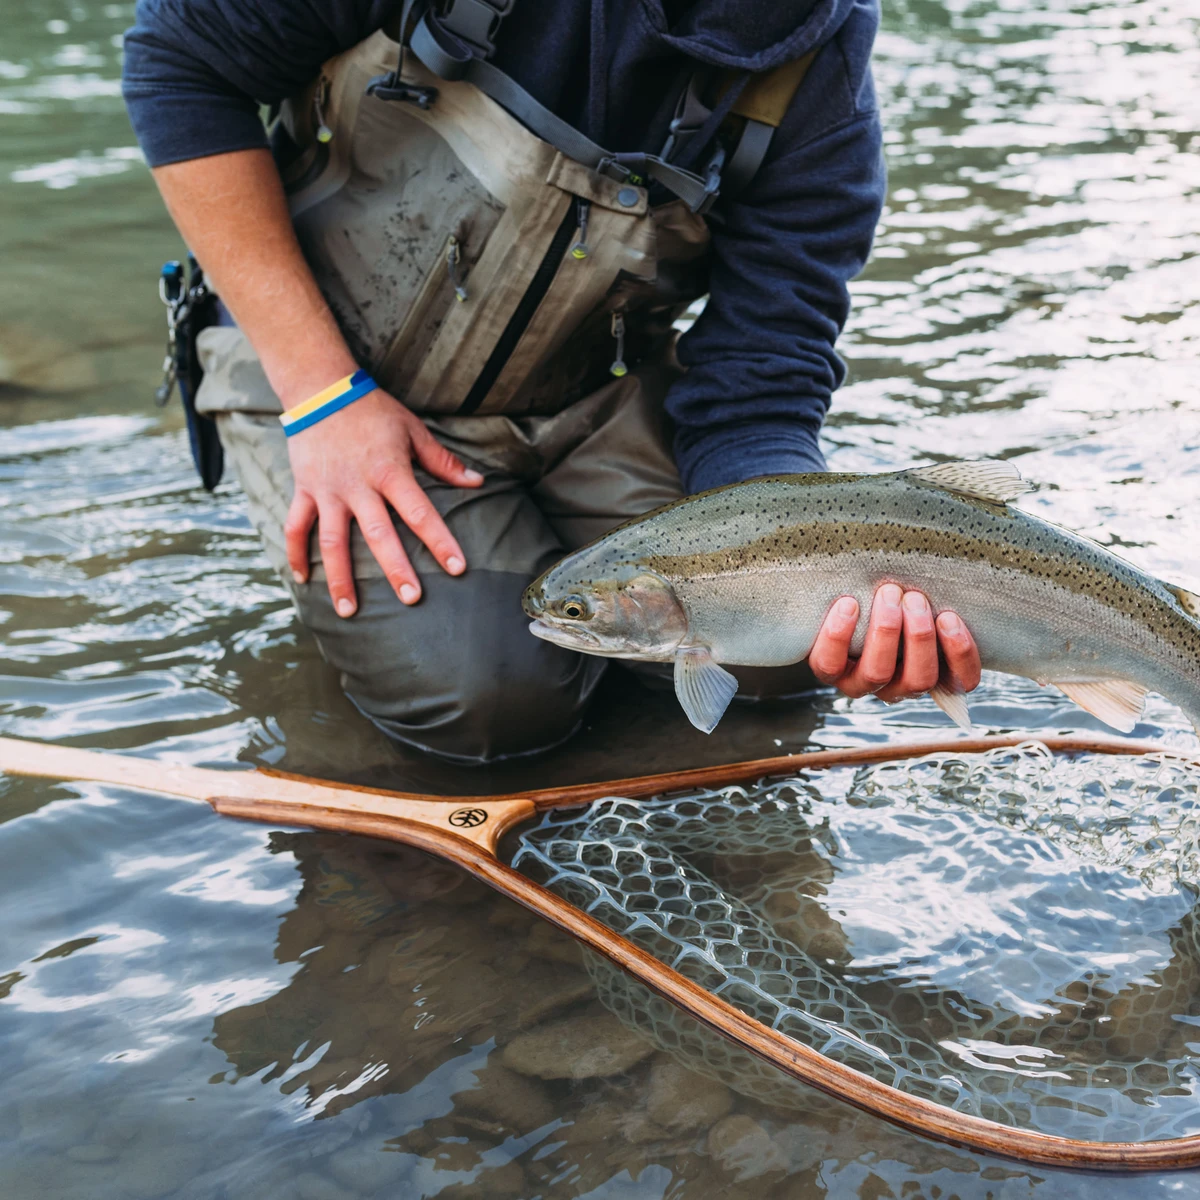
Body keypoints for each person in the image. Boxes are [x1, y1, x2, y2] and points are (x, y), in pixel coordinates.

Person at [122, 0, 980, 764]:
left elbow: (763, 380)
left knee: (781, 663)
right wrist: (321, 394)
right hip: (323, 372)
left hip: (589, 399)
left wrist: (809, 578)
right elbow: (177, 63)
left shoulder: (819, 70)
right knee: (485, 704)